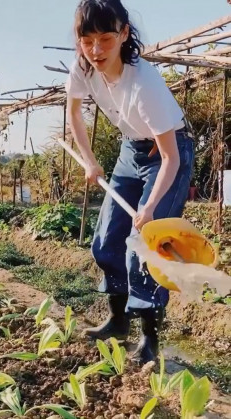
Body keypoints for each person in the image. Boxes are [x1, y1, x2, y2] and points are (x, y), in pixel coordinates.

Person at [65, 0, 194, 364]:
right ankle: (119, 320)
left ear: (123, 34)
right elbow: (74, 112)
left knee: (145, 245)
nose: (95, 50)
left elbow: (169, 156)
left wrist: (150, 208)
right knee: (106, 240)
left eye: (106, 38)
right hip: (130, 149)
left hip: (169, 153)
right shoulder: (83, 68)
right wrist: (90, 161)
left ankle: (150, 339)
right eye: (86, 39)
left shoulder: (145, 84)